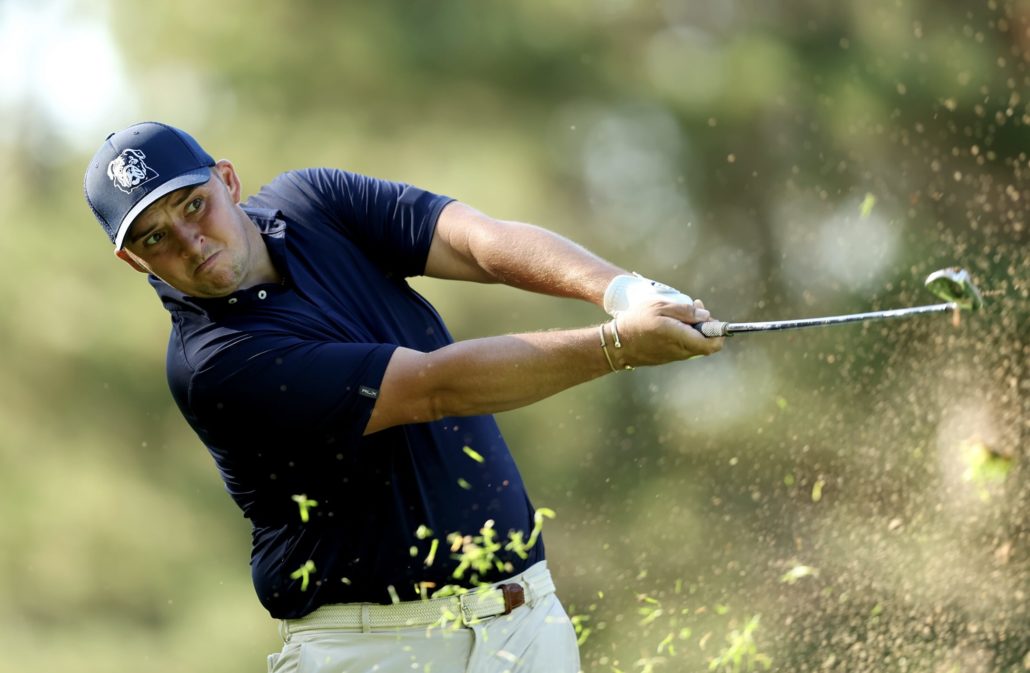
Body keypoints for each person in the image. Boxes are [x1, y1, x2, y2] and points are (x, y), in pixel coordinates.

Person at [83, 121, 724, 673]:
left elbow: (476, 241)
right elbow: (434, 387)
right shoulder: (215, 366)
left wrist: (625, 293)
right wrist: (618, 345)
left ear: (228, 181)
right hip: (376, 648)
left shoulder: (314, 202)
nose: (189, 241)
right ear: (133, 261)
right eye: (154, 237)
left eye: (194, 206)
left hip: (527, 622)